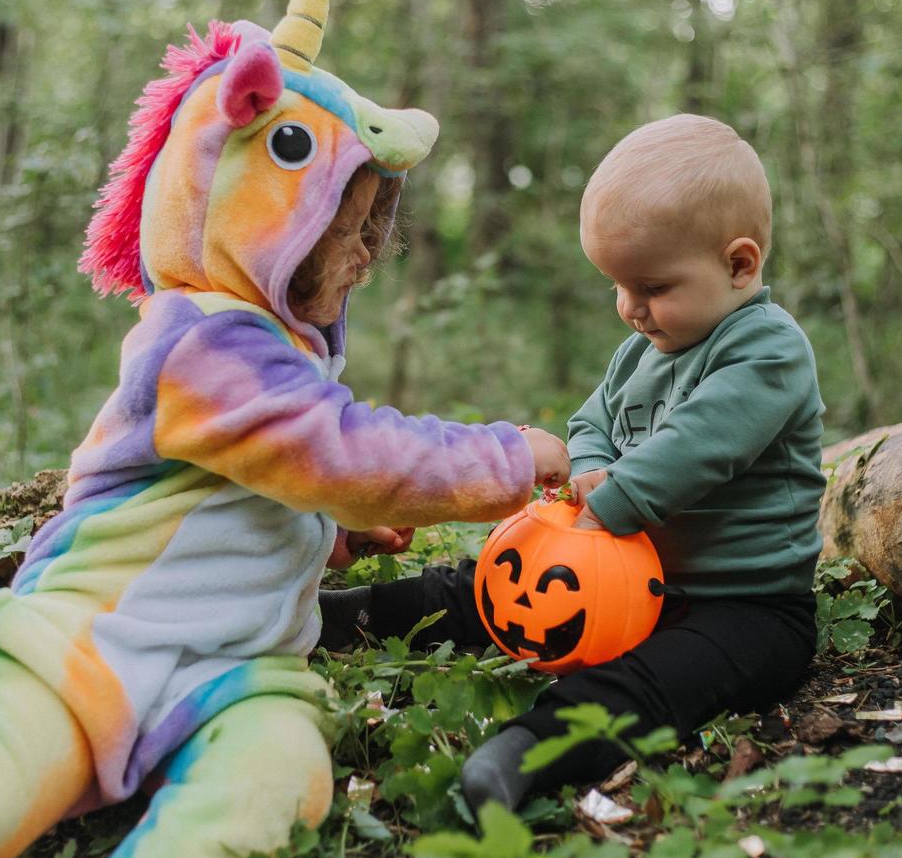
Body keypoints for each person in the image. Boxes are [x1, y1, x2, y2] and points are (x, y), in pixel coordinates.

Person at [0, 0, 569, 858]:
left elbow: (253, 487)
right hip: (88, 647)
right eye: (344, 227)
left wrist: (322, 536)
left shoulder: (274, 349)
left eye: (371, 231)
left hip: (236, 678)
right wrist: (510, 458)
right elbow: (337, 455)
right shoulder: (200, 341)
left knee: (276, 780)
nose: (366, 255)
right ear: (264, 216)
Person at [319, 113, 826, 813]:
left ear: (739, 264)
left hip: (743, 607)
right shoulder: (642, 353)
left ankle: (529, 751)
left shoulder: (768, 350)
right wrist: (586, 475)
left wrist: (609, 501)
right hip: (619, 580)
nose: (630, 309)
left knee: (657, 680)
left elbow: (702, 445)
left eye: (651, 288)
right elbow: (592, 422)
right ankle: (343, 619)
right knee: (476, 591)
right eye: (617, 287)